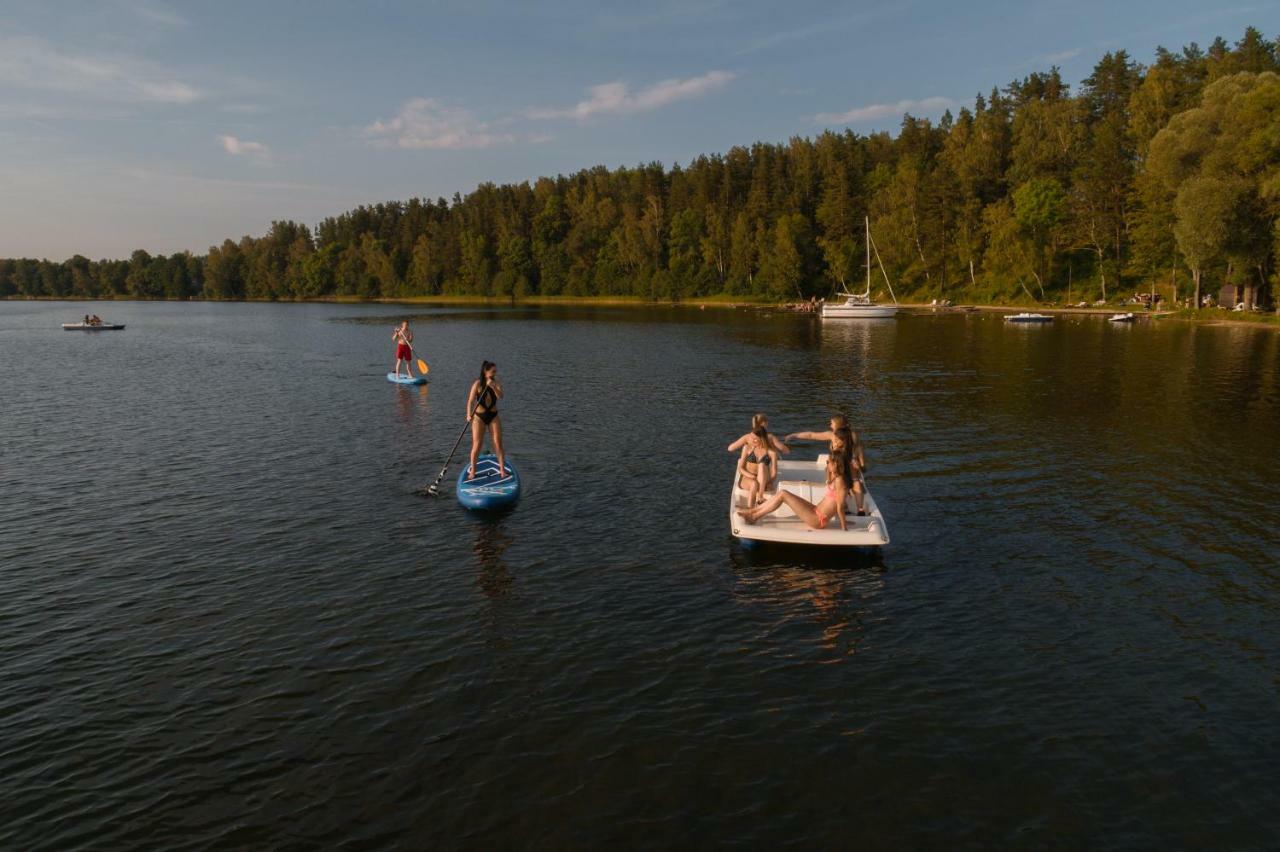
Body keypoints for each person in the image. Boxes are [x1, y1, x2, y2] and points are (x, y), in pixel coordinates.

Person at [738, 450, 856, 530]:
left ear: (836, 464)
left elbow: (840, 506)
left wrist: (844, 526)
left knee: (783, 494)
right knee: (782, 494)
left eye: (828, 461)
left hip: (817, 519)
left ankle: (754, 515)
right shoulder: (837, 477)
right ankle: (753, 512)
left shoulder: (840, 481)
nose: (827, 463)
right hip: (815, 510)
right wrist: (831, 470)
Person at [785, 414, 867, 514]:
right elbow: (811, 435)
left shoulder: (853, 440)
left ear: (838, 424)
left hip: (850, 473)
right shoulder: (831, 435)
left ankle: (860, 510)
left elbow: (863, 466)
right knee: (838, 476)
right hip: (837, 470)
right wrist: (794, 435)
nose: (830, 426)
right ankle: (844, 506)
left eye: (832, 423)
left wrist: (858, 466)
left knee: (856, 483)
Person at [466, 360, 505, 480]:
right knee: (477, 444)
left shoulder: (496, 383)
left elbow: (501, 396)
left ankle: (502, 470)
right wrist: (468, 414)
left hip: (493, 415)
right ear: (485, 371)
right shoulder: (477, 384)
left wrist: (493, 387)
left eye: (495, 371)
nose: (495, 373)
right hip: (479, 417)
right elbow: (470, 401)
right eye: (492, 371)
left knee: (497, 443)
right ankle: (473, 471)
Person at [736, 424, 778, 507]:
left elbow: (774, 473)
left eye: (755, 439)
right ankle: (750, 509)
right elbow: (741, 468)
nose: (752, 440)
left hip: (764, 480)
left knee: (762, 465)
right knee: (754, 484)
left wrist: (769, 482)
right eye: (751, 437)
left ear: (762, 439)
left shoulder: (771, 453)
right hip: (748, 478)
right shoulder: (747, 448)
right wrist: (751, 476)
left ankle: (760, 496)